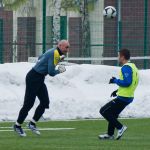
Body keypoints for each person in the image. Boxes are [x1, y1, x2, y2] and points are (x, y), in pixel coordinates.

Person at [14, 40, 70, 137]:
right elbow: (51, 72)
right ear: (60, 46)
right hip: (34, 78)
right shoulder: (55, 54)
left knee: (45, 102)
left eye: (68, 47)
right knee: (28, 104)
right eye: (66, 47)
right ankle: (17, 125)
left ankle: (32, 123)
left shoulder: (53, 51)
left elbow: (40, 57)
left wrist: (54, 61)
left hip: (38, 77)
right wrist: (60, 71)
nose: (67, 50)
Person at [99, 49, 139, 140]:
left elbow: (127, 82)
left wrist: (115, 81)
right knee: (112, 114)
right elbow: (131, 83)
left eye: (119, 56)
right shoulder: (133, 67)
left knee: (103, 111)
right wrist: (117, 91)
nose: (118, 58)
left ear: (123, 57)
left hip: (124, 97)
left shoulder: (126, 67)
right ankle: (110, 134)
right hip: (127, 96)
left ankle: (120, 127)